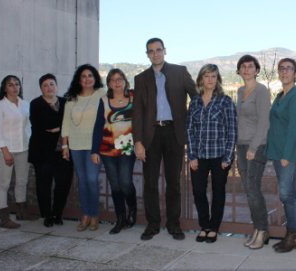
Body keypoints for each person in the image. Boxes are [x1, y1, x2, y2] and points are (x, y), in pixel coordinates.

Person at [132, 37, 197, 241]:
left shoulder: (180, 72)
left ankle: (173, 224)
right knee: (150, 182)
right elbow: (137, 113)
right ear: (147, 54)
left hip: (174, 133)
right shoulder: (141, 78)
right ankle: (152, 224)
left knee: (173, 182)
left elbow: (196, 98)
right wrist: (138, 141)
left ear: (165, 51)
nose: (155, 54)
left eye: (158, 50)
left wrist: (188, 123)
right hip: (150, 135)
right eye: (151, 51)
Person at [186, 64, 237, 243]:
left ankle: (214, 227)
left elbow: (232, 131)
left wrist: (228, 157)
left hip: (219, 156)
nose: (210, 79)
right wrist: (191, 156)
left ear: (218, 80)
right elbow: (190, 130)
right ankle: (204, 225)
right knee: (198, 191)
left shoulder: (225, 101)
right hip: (198, 156)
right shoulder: (194, 101)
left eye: (213, 76)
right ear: (201, 79)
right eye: (206, 76)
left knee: (218, 192)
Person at [266, 58, 296, 253]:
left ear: (295, 73)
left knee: (286, 193)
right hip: (277, 151)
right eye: (281, 69)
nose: (284, 72)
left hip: (289, 152)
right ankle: (291, 235)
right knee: (287, 193)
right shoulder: (280, 95)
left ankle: (293, 236)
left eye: (288, 69)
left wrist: (286, 155)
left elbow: (294, 127)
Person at [91, 69, 137, 234]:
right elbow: (97, 127)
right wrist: (94, 151)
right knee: (115, 185)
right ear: (109, 83)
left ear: (125, 80)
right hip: (107, 149)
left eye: (120, 79)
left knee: (125, 182)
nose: (117, 82)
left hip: (128, 148)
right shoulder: (103, 100)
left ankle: (132, 210)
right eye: (113, 80)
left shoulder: (134, 97)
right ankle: (120, 218)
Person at [61, 64, 106, 232]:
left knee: (92, 179)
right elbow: (66, 122)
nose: (87, 79)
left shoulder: (102, 94)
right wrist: (65, 145)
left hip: (95, 145)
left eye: (90, 76)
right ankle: (85, 214)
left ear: (95, 78)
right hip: (76, 145)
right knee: (82, 180)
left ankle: (94, 215)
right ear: (79, 80)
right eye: (83, 76)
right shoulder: (72, 98)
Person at [235, 55, 271, 249]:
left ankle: (262, 229)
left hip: (255, 147)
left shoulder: (262, 91)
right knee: (249, 190)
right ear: (239, 71)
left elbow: (264, 122)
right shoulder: (240, 91)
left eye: (250, 66)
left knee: (253, 189)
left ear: (256, 70)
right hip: (240, 145)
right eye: (243, 67)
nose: (247, 69)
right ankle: (258, 229)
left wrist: (253, 148)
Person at [29, 73, 73, 227]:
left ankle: (57, 214)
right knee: (43, 185)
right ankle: (47, 215)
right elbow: (38, 125)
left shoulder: (66, 102)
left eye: (52, 84)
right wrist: (62, 127)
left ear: (56, 86)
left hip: (63, 150)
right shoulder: (35, 104)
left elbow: (72, 123)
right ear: (41, 88)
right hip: (41, 151)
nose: (49, 87)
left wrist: (59, 128)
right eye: (45, 85)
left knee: (63, 184)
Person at [0, 75, 35, 228]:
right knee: (4, 183)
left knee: (22, 181)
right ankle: (4, 218)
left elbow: (28, 126)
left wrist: (29, 141)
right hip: (6, 150)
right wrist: (5, 151)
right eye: (10, 84)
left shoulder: (25, 104)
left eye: (17, 84)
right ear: (5, 88)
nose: (14, 87)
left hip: (23, 148)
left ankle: (21, 212)